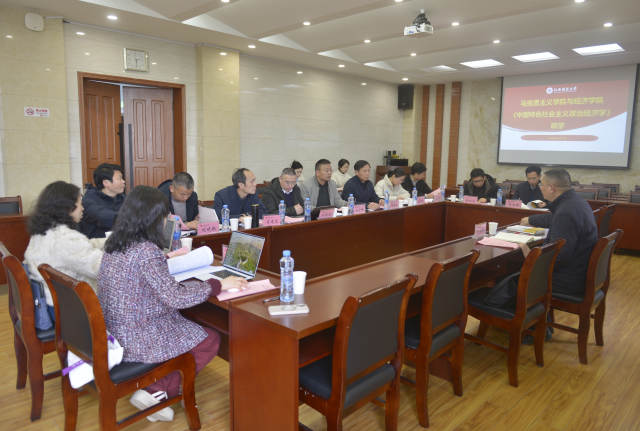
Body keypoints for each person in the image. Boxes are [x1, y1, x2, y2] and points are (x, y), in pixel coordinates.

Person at [98, 186, 248, 422]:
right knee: (210, 340)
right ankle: (157, 390)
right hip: (140, 336)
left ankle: (156, 387)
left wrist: (163, 260)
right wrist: (218, 285)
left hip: (116, 331)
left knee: (189, 325)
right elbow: (176, 297)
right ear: (152, 218)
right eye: (164, 215)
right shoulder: (146, 251)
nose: (167, 220)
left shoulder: (115, 244)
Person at [484, 169, 598, 344]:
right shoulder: (576, 202)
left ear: (551, 188)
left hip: (568, 278)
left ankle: (533, 329)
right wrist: (531, 220)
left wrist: (532, 257)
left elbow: (560, 256)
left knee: (513, 275)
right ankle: (539, 324)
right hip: (578, 269)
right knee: (515, 271)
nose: (540, 188)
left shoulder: (566, 212)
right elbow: (554, 219)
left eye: (542, 185)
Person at [24, 181, 106, 323]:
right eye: (80, 204)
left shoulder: (45, 231)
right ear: (67, 208)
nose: (82, 208)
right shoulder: (66, 239)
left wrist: (109, 242)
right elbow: (103, 269)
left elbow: (81, 248)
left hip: (52, 302)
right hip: (69, 309)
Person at [82, 163, 126, 239]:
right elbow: (102, 216)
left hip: (122, 243)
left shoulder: (126, 198)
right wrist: (131, 218)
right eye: (119, 178)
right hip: (97, 245)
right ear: (106, 183)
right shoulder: (89, 200)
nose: (123, 181)